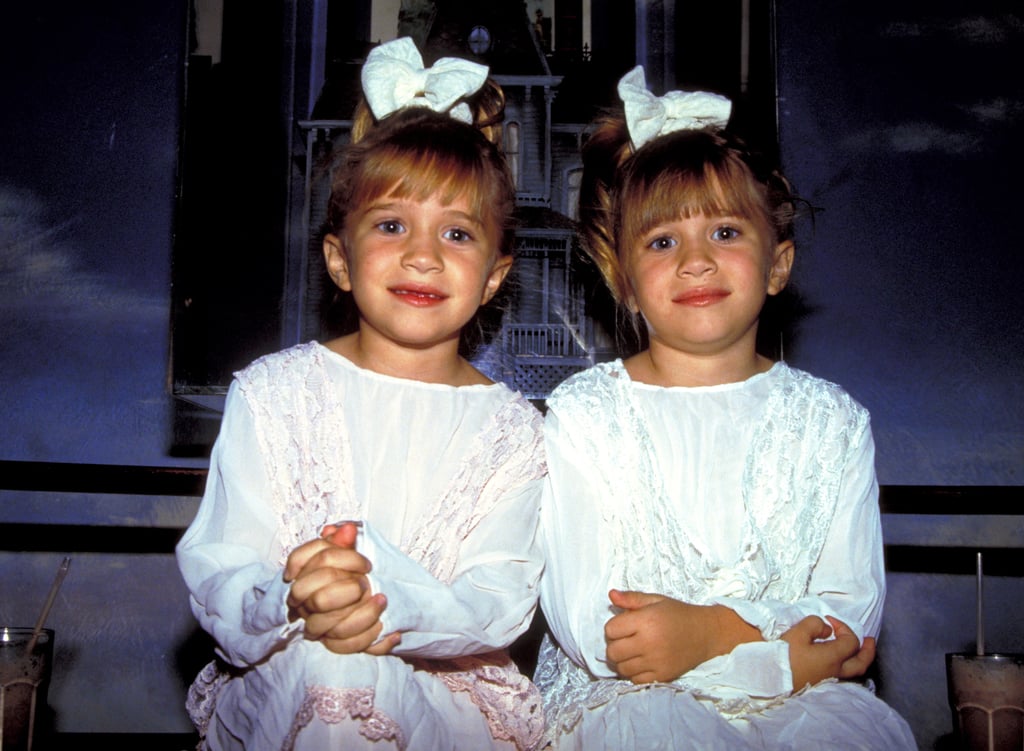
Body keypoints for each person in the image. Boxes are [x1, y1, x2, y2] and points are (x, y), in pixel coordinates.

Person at [176, 37, 547, 751]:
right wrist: (297, 593)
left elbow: (496, 598)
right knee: (327, 661)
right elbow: (224, 560)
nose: (422, 254)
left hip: (445, 687)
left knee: (358, 671)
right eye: (390, 224)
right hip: (287, 667)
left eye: (458, 233)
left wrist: (380, 601)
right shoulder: (274, 395)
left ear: (494, 278)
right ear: (339, 260)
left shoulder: (513, 430)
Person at [533, 66, 917, 750]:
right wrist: (775, 649)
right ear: (623, 279)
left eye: (726, 233)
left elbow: (847, 622)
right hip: (627, 706)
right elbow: (598, 632)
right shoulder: (583, 417)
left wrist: (710, 631)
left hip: (806, 708)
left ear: (778, 263)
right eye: (661, 241)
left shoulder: (831, 423)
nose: (696, 261)